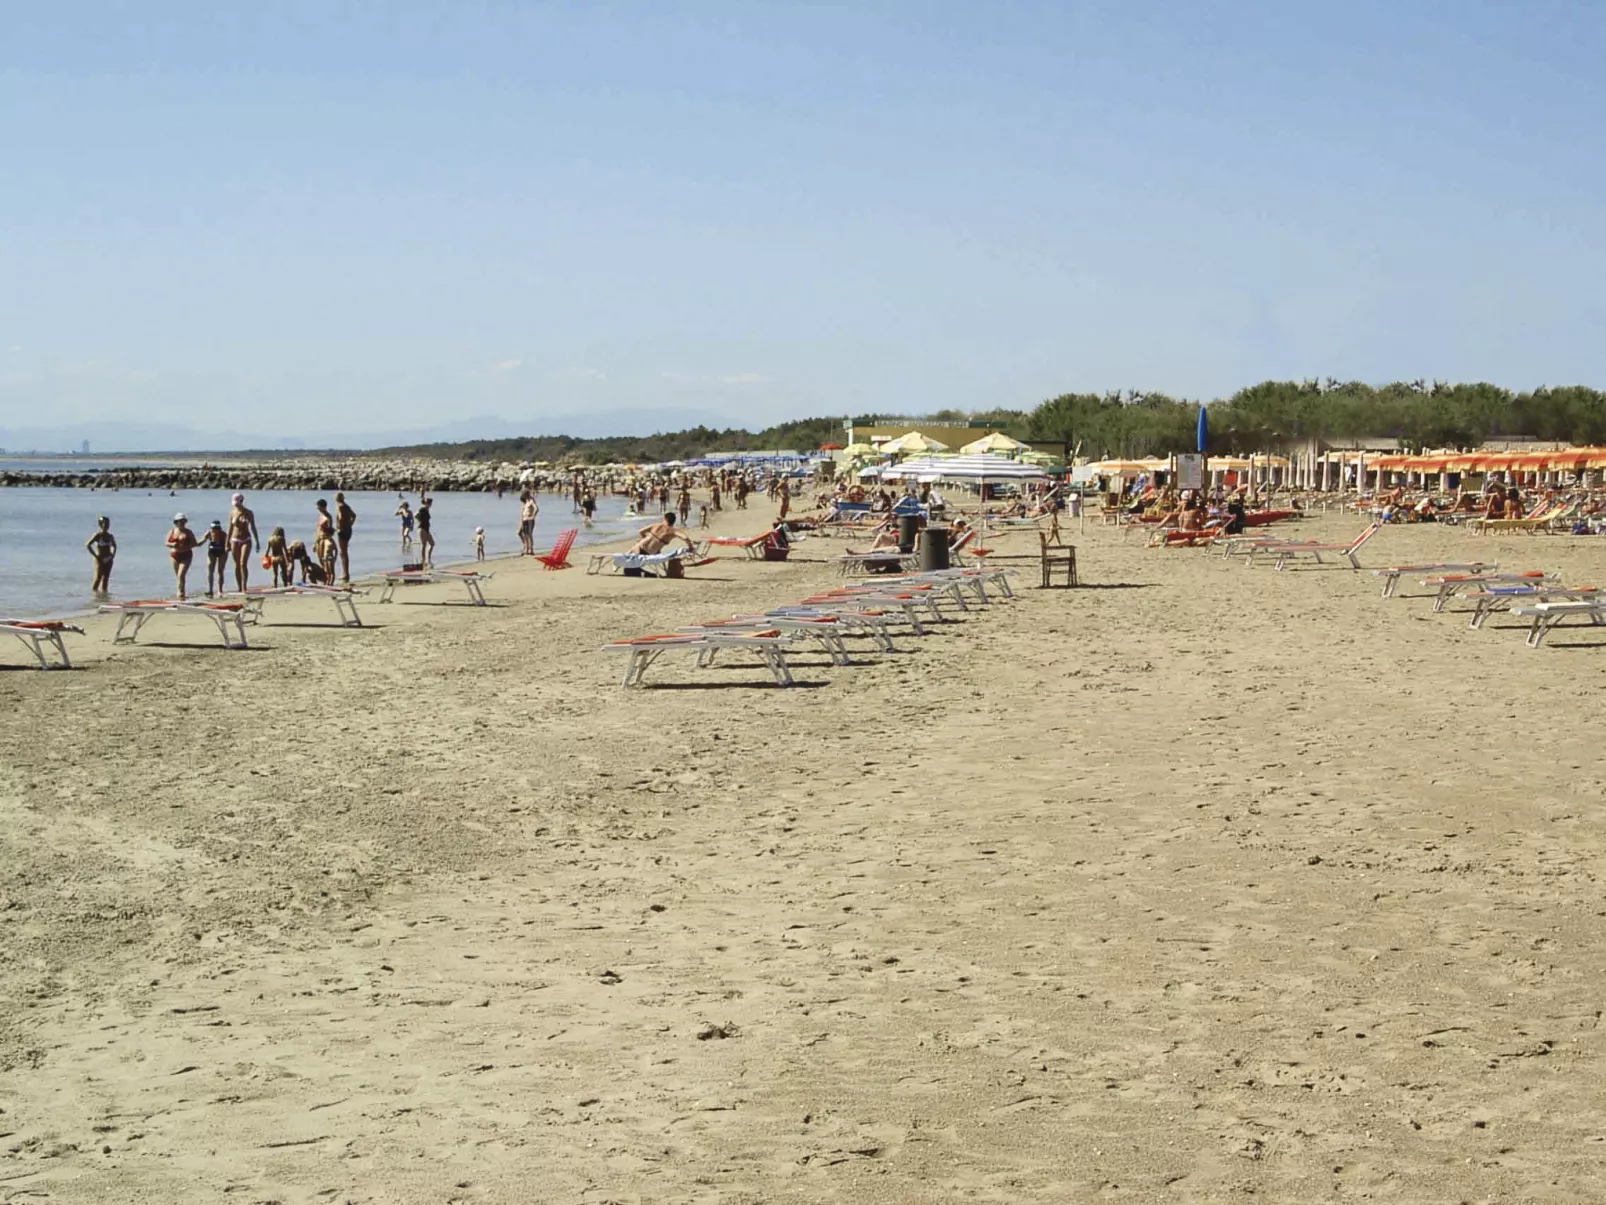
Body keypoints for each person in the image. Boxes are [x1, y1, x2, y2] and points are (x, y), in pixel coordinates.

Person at [227, 492, 260, 593]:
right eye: (235, 503)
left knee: (243, 563)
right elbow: (230, 528)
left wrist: (257, 541)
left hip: (246, 539)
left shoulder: (248, 513)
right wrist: (226, 542)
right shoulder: (232, 512)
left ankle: (244, 586)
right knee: (237, 564)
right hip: (234, 540)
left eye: (237, 502)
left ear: (241, 501)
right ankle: (239, 587)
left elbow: (253, 527)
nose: (236, 504)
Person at [166, 513, 199, 600]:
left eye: (183, 521)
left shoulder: (188, 532)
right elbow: (166, 543)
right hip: (174, 555)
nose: (181, 523)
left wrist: (187, 546)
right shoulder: (172, 531)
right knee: (179, 576)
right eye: (179, 521)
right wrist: (172, 544)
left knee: (181, 574)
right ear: (176, 522)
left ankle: (180, 593)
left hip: (186, 555)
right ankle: (182, 593)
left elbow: (194, 543)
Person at [627, 512, 692, 555]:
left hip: (639, 548)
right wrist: (690, 546)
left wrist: (643, 538)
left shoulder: (656, 525)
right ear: (673, 521)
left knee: (637, 544)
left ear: (665, 519)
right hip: (651, 553)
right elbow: (685, 537)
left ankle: (619, 563)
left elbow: (640, 531)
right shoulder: (673, 531)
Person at [85, 515, 117, 594]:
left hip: (108, 559)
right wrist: (95, 556)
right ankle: (94, 596)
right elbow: (88, 545)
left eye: (108, 524)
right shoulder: (97, 535)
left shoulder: (110, 536)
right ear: (101, 524)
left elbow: (114, 546)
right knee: (98, 578)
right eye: (105, 524)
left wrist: (112, 556)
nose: (106, 526)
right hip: (99, 559)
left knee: (106, 578)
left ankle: (104, 596)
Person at [334, 491, 357, 583]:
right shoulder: (347, 506)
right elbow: (354, 516)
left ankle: (345, 573)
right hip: (348, 530)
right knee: (344, 552)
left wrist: (339, 527)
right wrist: (350, 524)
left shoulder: (340, 506)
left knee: (342, 552)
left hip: (342, 530)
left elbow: (340, 517)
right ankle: (346, 572)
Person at [202, 519, 229, 596]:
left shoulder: (223, 535)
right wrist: (192, 544)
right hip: (212, 552)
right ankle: (210, 590)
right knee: (210, 569)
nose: (215, 530)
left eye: (217, 528)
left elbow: (229, 545)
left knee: (220, 570)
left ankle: (220, 590)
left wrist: (228, 548)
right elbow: (201, 542)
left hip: (222, 552)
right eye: (213, 528)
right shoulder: (209, 533)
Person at [313, 498, 338, 582]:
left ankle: (328, 579)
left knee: (325, 560)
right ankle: (325, 578)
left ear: (323, 507)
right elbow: (318, 530)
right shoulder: (320, 516)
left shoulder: (328, 517)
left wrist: (327, 531)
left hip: (325, 539)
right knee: (321, 560)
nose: (318, 509)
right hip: (319, 539)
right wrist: (315, 542)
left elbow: (330, 530)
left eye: (319, 507)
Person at [518, 490, 538, 555]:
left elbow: (536, 508)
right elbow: (522, 513)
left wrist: (533, 516)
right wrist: (520, 522)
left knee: (529, 534)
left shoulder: (531, 500)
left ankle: (531, 549)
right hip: (524, 519)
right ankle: (526, 548)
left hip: (529, 519)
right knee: (524, 534)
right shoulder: (525, 502)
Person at [416, 496, 434, 565]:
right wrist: (419, 521)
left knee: (432, 544)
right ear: (426, 503)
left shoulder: (427, 510)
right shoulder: (422, 509)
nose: (430, 505)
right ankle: (423, 560)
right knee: (424, 544)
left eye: (430, 503)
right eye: (429, 503)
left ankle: (428, 558)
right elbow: (415, 515)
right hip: (422, 528)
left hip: (427, 529)